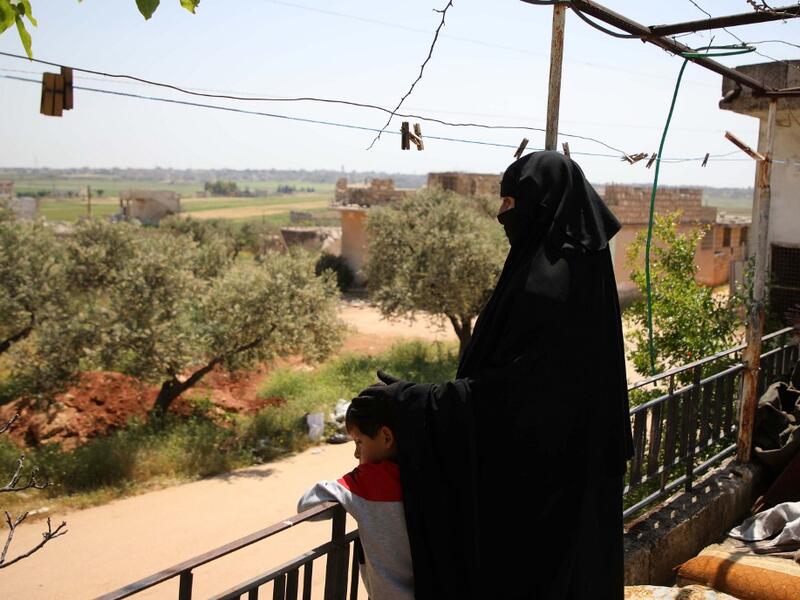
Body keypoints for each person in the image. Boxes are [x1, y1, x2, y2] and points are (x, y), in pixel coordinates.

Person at [356, 151, 635, 599]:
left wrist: (414, 399)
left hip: (544, 490)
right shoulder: (585, 267)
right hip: (580, 471)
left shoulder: (546, 284)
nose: (502, 213)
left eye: (511, 201)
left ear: (542, 204)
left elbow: (511, 398)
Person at [297, 395, 414, 600]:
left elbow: (306, 506)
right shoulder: (429, 470)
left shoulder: (366, 483)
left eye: (359, 442)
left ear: (386, 437)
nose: (356, 453)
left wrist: (356, 476)